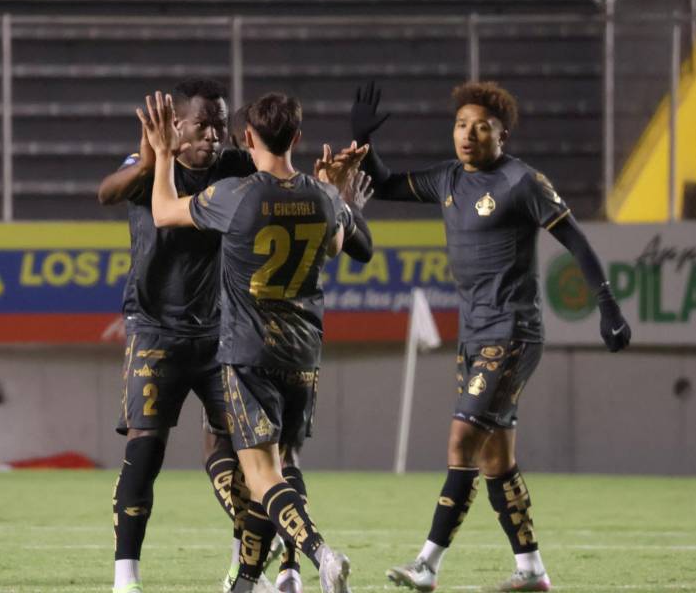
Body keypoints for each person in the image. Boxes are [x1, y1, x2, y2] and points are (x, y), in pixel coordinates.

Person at [344, 81, 631, 592]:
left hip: (513, 332)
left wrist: (607, 306)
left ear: (503, 133)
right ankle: (532, 572)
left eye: (481, 126)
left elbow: (576, 241)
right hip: (473, 335)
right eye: (460, 125)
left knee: (462, 439)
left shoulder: (523, 182)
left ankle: (428, 563)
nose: (468, 135)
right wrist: (364, 144)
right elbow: (384, 184)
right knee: (496, 460)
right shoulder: (449, 179)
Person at [138, 90, 366, 593]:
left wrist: (159, 153)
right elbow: (336, 244)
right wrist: (337, 189)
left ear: (247, 137)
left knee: (260, 477)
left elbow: (162, 212)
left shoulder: (236, 195)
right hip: (304, 353)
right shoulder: (322, 197)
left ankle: (318, 554)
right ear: (298, 139)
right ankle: (250, 579)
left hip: (248, 352)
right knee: (282, 467)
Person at [98, 77, 257, 593]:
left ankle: (245, 557)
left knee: (240, 455)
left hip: (221, 333)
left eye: (220, 124)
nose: (214, 135)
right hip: (155, 330)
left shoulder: (235, 167)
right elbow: (106, 193)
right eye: (203, 124)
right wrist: (150, 160)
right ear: (175, 127)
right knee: (145, 451)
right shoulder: (146, 168)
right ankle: (126, 576)